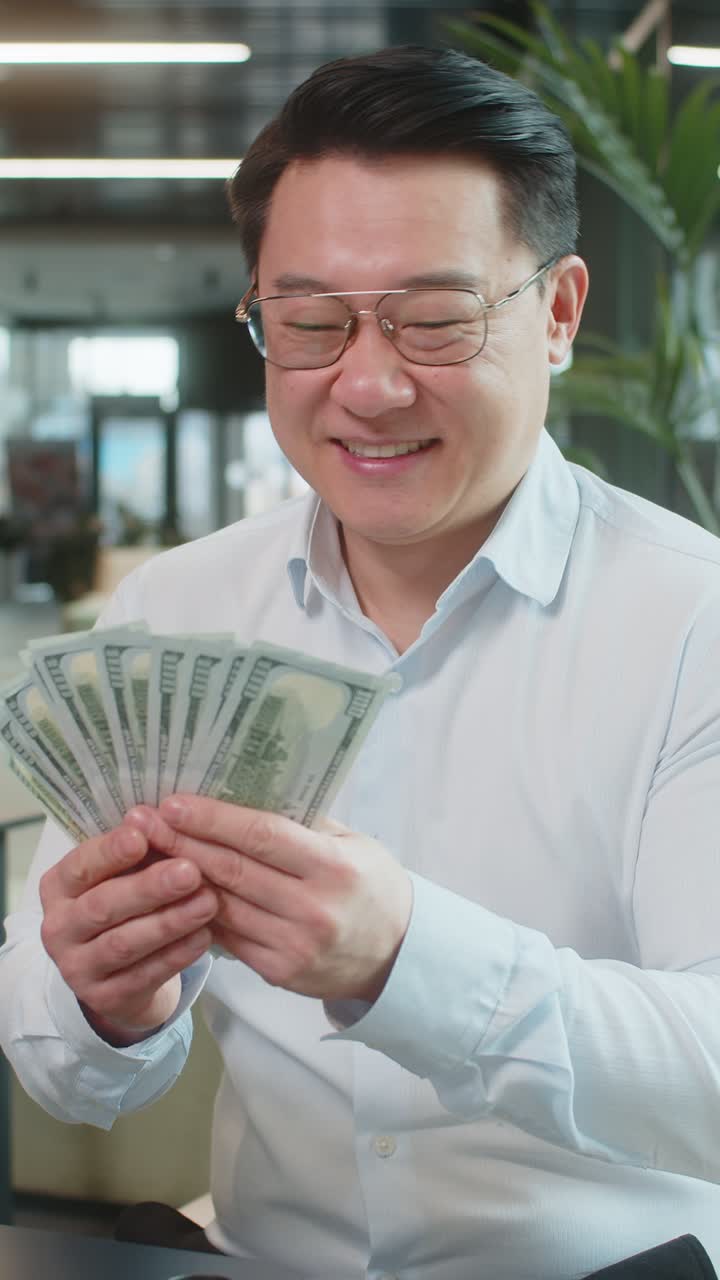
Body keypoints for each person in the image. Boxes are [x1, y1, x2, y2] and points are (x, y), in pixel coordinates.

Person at [1, 43, 720, 1280]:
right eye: (312, 322)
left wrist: (408, 960)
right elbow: (67, 1067)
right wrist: (105, 997)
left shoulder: (694, 620)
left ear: (556, 314)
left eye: (435, 319)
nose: (369, 384)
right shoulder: (181, 607)